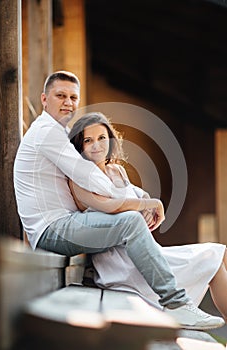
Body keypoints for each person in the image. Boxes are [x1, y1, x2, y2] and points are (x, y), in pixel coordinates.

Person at [13, 70, 225, 330]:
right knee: (130, 222)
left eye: (73, 97)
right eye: (60, 96)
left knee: (135, 221)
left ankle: (177, 302)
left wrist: (140, 199)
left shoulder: (59, 134)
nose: (68, 102)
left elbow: (106, 185)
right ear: (44, 99)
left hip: (66, 224)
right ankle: (176, 304)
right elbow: (93, 179)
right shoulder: (48, 133)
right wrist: (142, 204)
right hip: (52, 229)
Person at [68, 111, 227, 326]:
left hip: (143, 253)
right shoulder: (79, 177)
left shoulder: (117, 171)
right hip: (121, 264)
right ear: (79, 146)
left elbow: (136, 195)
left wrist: (149, 204)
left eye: (102, 138)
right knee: (213, 259)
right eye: (88, 140)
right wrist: (150, 204)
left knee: (219, 253)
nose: (96, 145)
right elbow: (108, 206)